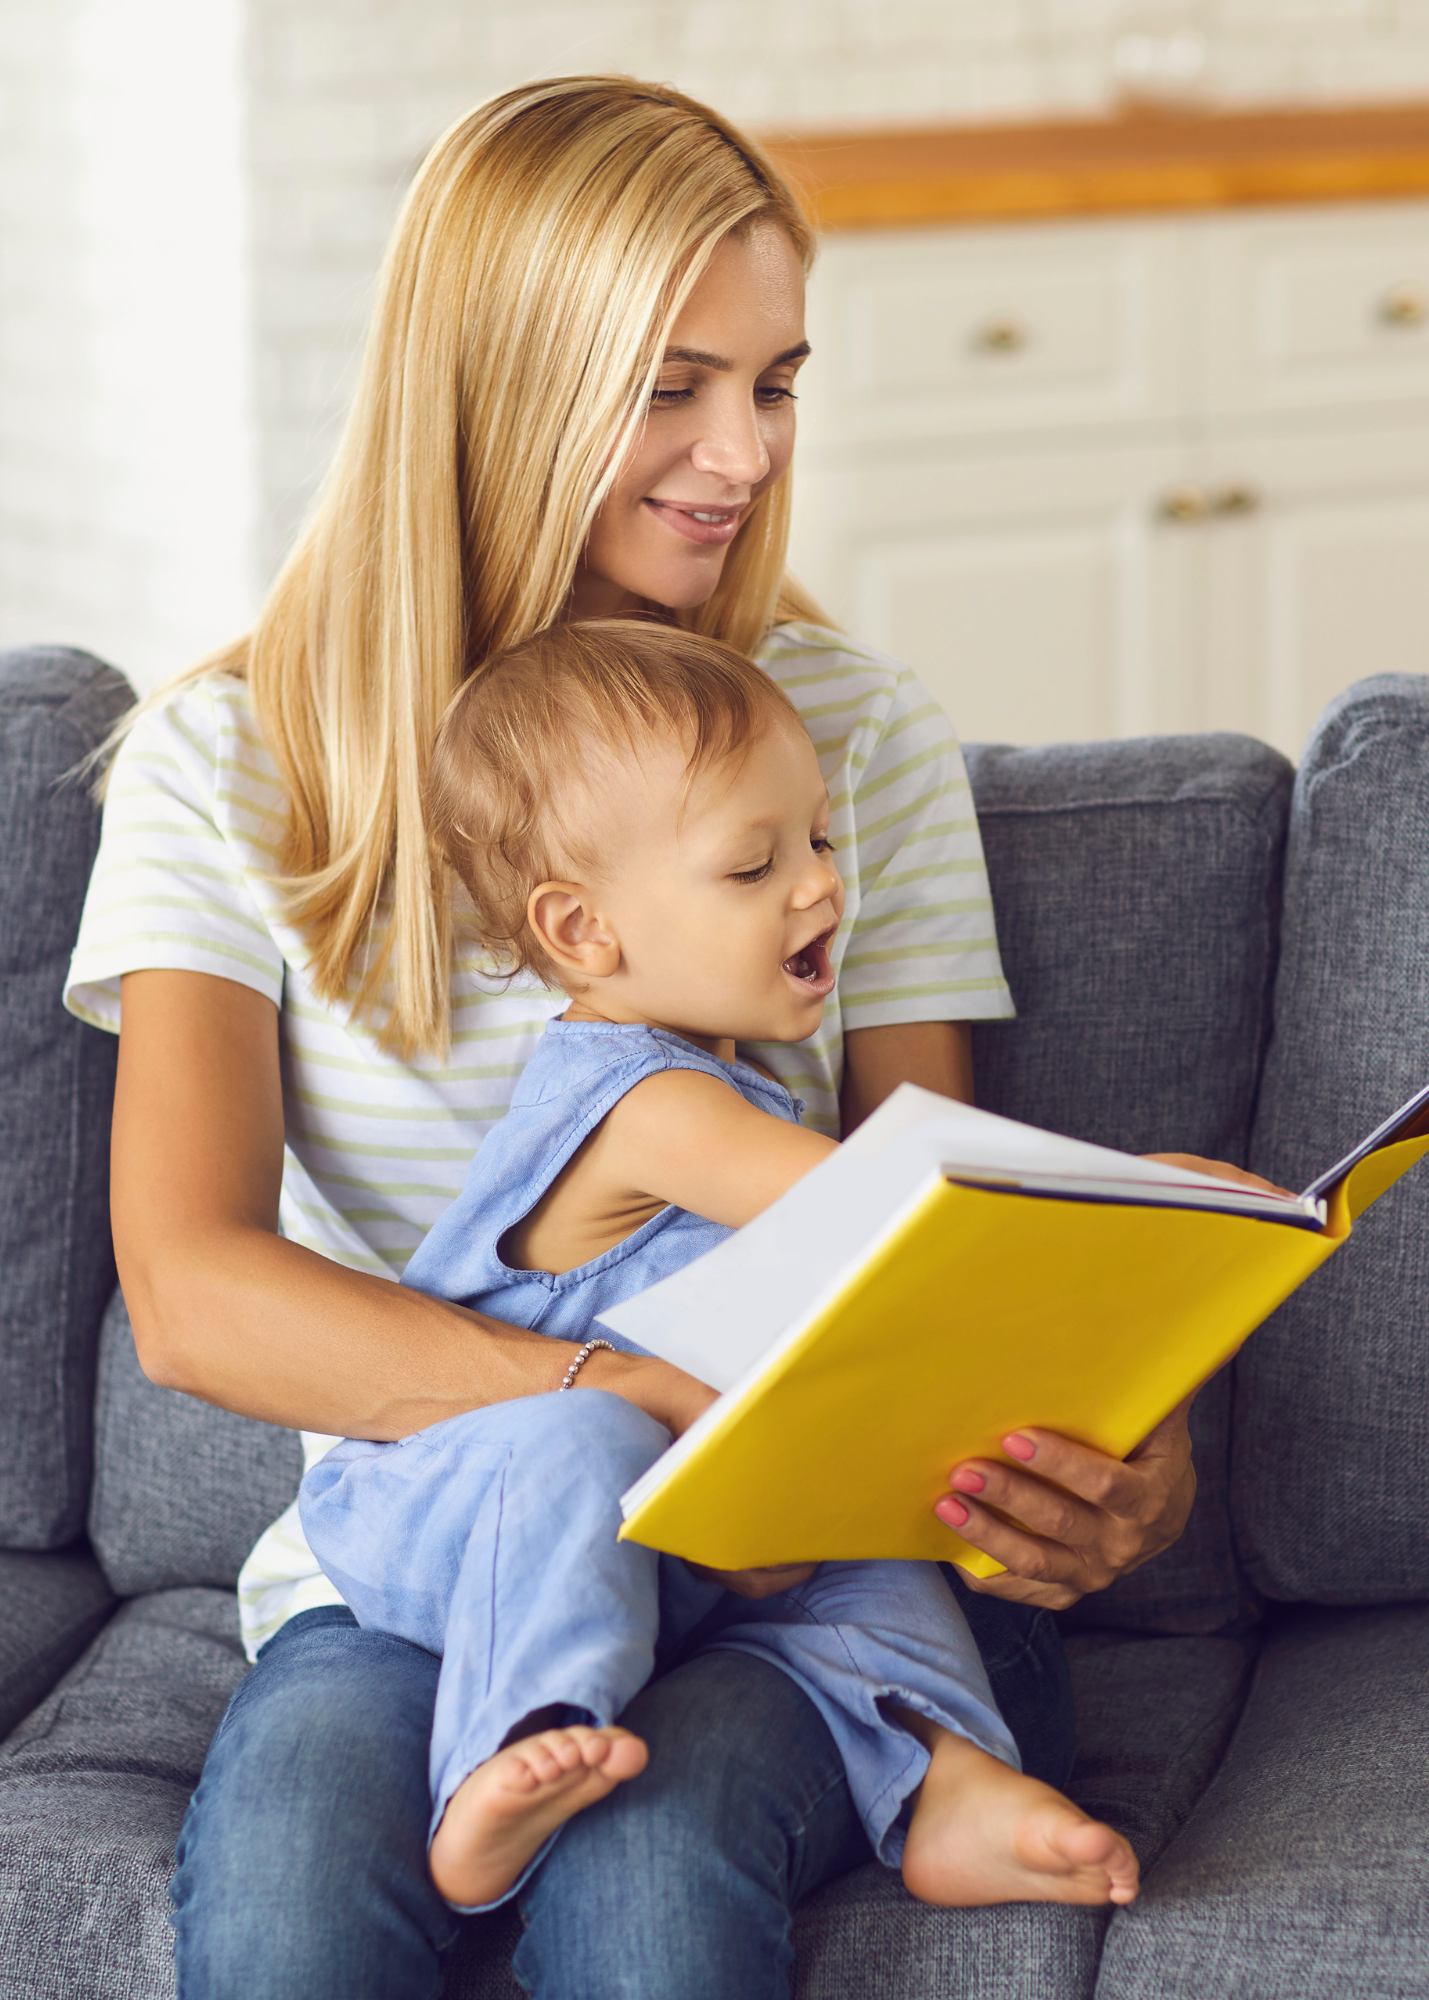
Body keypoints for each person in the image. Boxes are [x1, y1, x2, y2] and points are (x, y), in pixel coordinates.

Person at [68, 76, 1201, 2000]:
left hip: (809, 1580)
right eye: (672, 386)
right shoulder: (229, 761)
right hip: (434, 1560)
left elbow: (922, 1241)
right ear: (497, 383)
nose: (743, 454)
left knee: (654, 1888)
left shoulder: (850, 732)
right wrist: (631, 1414)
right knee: (283, 1906)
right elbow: (193, 1294)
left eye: (774, 383)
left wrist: (1128, 1471)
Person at [298, 618, 1142, 1919]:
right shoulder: (647, 1105)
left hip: (659, 1527)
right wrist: (1158, 1205)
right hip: (453, 1509)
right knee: (574, 1436)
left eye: (816, 839)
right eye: (754, 866)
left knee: (850, 1520)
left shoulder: (724, 1082)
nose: (818, 887)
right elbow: (902, 1216)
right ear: (582, 932)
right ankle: (500, 1757)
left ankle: (947, 1773)